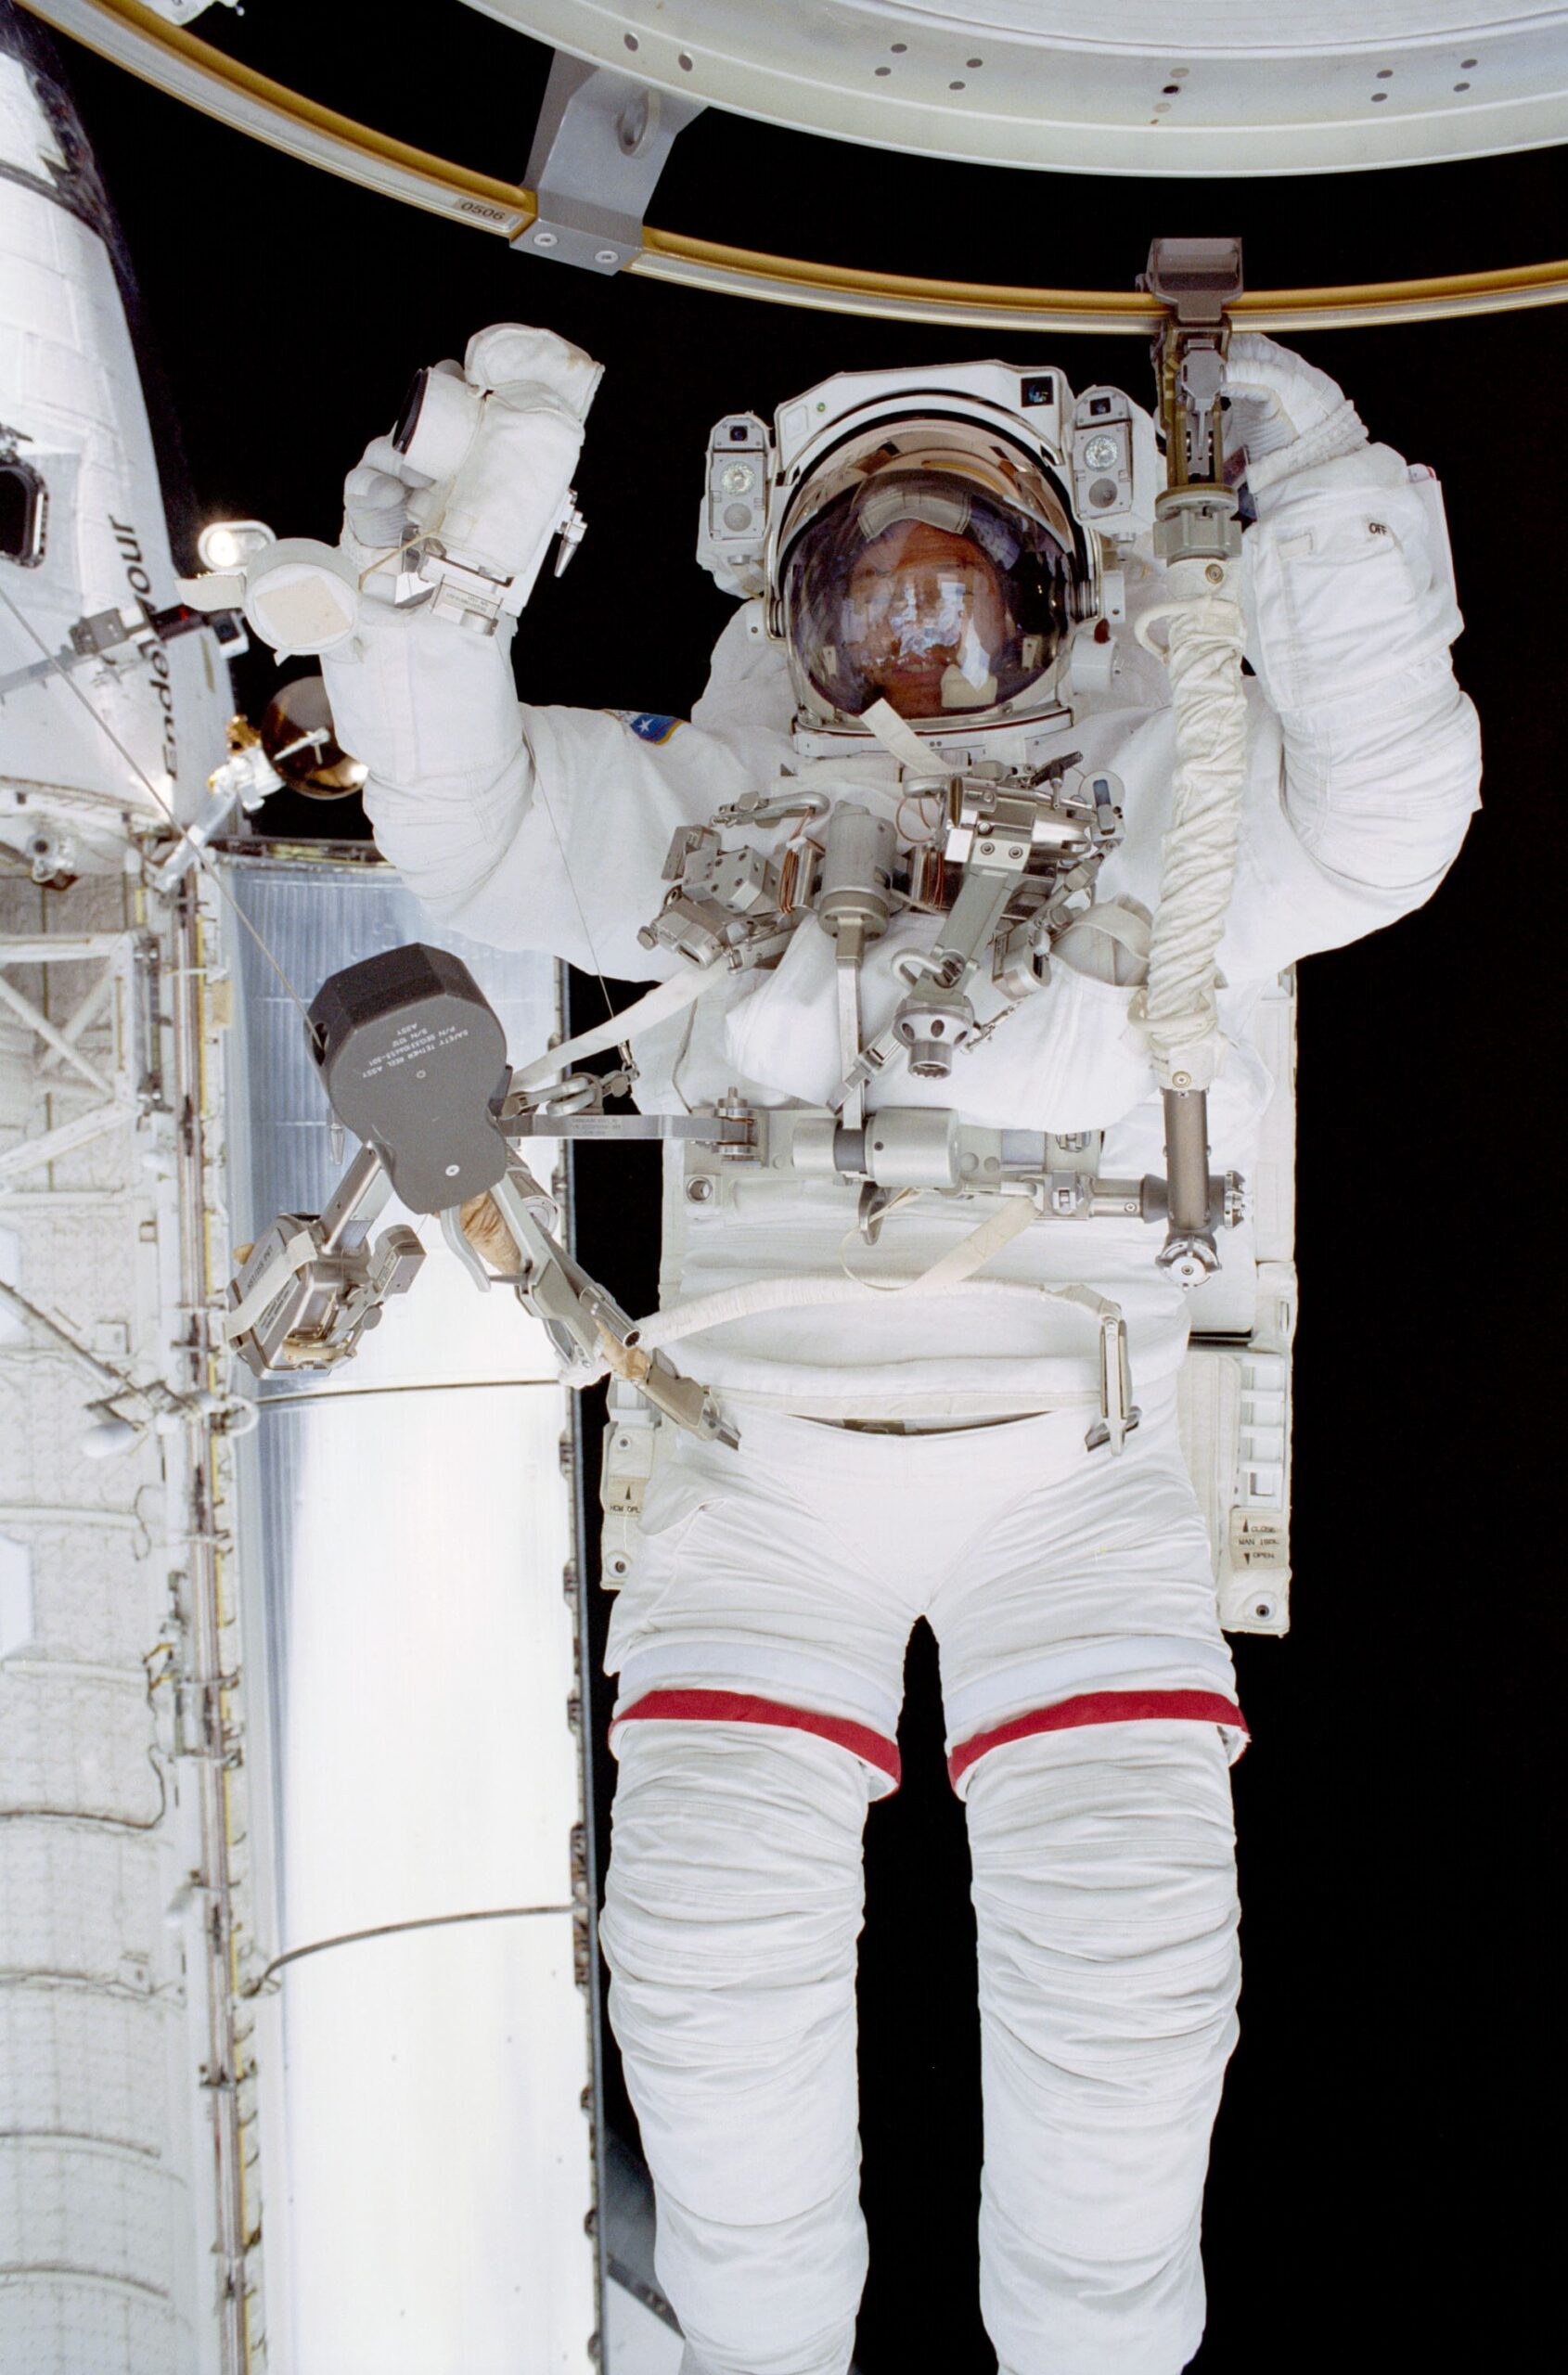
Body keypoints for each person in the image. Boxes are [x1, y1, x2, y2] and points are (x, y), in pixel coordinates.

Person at [302, 321, 1480, 2375]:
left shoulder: (1160, 795)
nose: (913, 628)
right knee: (705, 1973)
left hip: (1069, 1474)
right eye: (869, 580)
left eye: (960, 578)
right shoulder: (711, 796)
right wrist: (455, 565)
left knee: (1122, 1989)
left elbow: (1383, 818)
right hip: (757, 1478)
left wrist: (1331, 518)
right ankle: (749, 2348)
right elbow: (464, 825)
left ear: (1050, 594)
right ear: (798, 600)